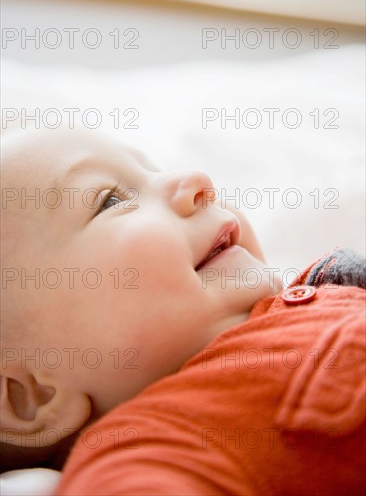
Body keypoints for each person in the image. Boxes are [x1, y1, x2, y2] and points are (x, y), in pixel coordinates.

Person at [1, 127, 365, 495]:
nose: (195, 180)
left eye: (156, 170)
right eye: (110, 200)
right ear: (30, 396)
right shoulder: (155, 448)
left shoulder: (324, 288)